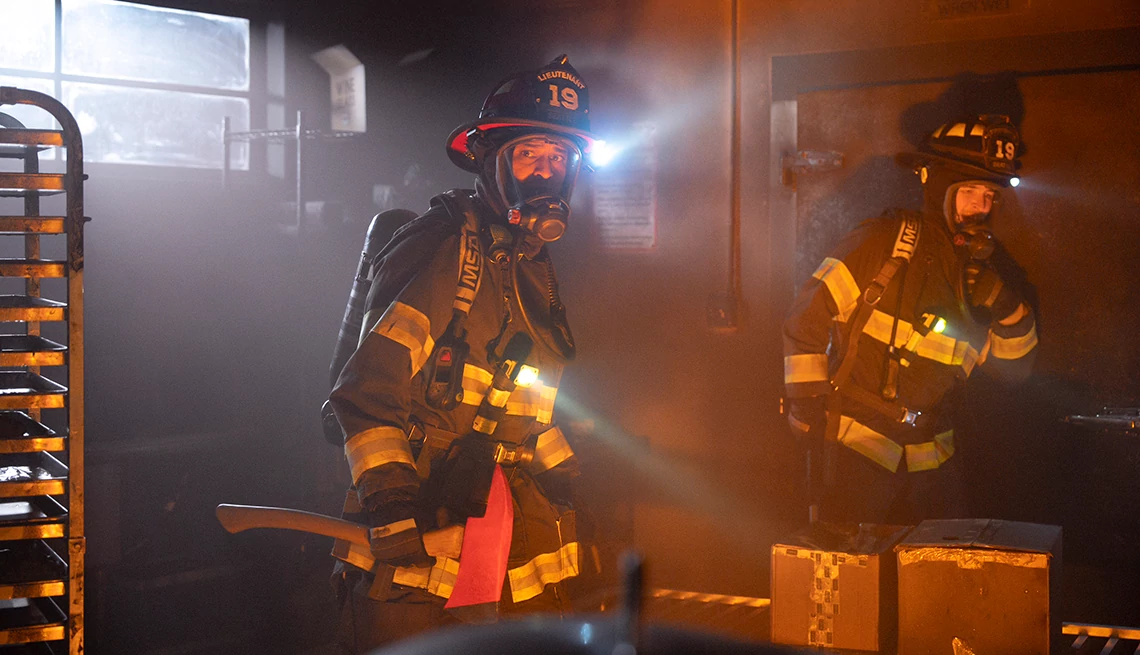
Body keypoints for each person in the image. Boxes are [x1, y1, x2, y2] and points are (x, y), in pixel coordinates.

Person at [326, 55, 596, 652]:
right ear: (489, 160)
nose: (545, 174)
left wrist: (568, 477)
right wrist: (392, 502)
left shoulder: (529, 267)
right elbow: (367, 393)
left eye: (559, 159)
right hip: (427, 517)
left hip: (503, 521)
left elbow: (524, 401)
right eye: (529, 155)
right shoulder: (447, 248)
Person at [782, 114, 1038, 526]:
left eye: (990, 195)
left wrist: (1005, 305)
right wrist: (808, 414)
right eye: (970, 191)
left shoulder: (980, 278)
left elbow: (1015, 371)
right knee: (849, 576)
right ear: (938, 185)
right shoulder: (884, 242)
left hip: (932, 465)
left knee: (939, 580)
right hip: (857, 455)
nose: (982, 207)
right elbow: (805, 320)